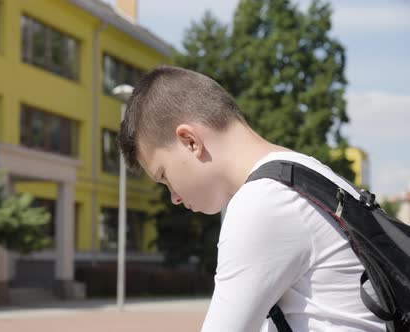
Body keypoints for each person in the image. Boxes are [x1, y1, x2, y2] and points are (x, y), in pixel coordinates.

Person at [117, 65, 386, 332]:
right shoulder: (307, 175)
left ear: (190, 141)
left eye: (164, 176)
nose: (174, 197)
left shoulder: (263, 203)